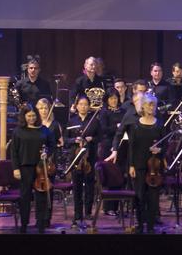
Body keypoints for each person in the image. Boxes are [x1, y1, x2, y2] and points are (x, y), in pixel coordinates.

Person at [107, 92, 165, 233]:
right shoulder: (136, 126)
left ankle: (150, 227)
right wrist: (132, 165)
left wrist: (160, 150)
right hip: (138, 165)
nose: (152, 107)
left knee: (153, 198)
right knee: (139, 196)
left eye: (154, 105)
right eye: (149, 104)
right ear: (143, 106)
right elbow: (132, 147)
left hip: (155, 167)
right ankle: (140, 225)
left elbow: (165, 144)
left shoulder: (159, 124)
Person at [9, 103, 57, 233]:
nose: (32, 118)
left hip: (41, 168)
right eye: (29, 116)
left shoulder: (44, 129)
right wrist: (15, 168)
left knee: (41, 198)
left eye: (34, 116)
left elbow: (53, 145)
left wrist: (47, 152)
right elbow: (14, 151)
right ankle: (24, 224)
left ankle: (41, 224)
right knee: (25, 198)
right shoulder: (18, 131)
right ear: (23, 117)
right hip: (25, 168)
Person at [67, 94, 102, 230]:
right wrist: (74, 140)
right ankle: (77, 214)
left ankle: (87, 212)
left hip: (90, 157)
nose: (83, 107)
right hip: (76, 158)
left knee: (89, 186)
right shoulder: (72, 121)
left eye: (86, 104)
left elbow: (100, 136)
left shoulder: (94, 121)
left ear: (89, 106)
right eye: (81, 104)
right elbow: (66, 139)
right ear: (76, 106)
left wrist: (91, 139)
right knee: (76, 187)